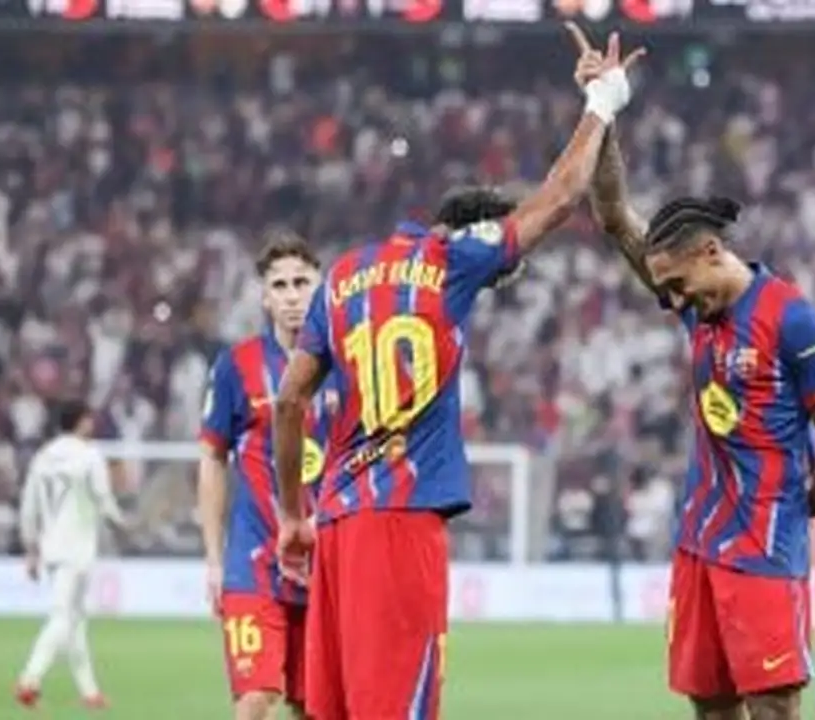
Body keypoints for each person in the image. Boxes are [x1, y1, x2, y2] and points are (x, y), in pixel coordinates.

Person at [269, 26, 643, 720]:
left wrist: (293, 514)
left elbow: (290, 400)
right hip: (401, 522)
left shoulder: (341, 274)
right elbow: (561, 197)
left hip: (337, 525)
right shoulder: (452, 261)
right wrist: (603, 99)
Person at [578, 38, 815, 719]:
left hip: (764, 548)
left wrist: (793, 510)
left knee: (771, 708)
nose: (673, 301)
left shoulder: (792, 318)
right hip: (698, 545)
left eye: (678, 285)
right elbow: (613, 216)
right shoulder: (695, 306)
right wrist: (604, 107)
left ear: (711, 253)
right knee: (709, 707)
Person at [197, 230, 339, 720]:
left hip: (326, 568)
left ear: (321, 288)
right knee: (255, 699)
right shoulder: (236, 366)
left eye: (302, 282)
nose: (292, 295)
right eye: (280, 285)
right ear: (264, 297)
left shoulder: (347, 365)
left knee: (315, 707)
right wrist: (214, 560)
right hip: (254, 564)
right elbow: (212, 458)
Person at [15, 400, 126, 711]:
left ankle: (90, 692)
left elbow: (29, 505)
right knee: (63, 617)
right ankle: (29, 680)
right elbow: (103, 498)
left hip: (51, 548)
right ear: (81, 422)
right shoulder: (89, 455)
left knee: (75, 621)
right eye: (89, 419)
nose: (93, 424)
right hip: (77, 549)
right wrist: (122, 522)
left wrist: (31, 549)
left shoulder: (43, 457)